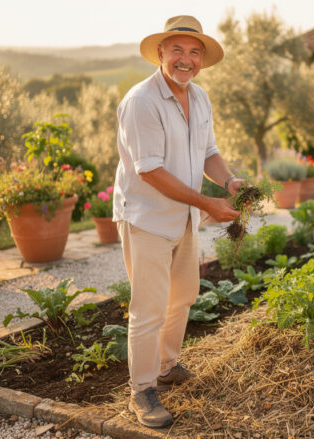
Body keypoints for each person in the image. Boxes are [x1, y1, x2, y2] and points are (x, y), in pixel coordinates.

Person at [112, 15, 244, 428]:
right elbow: (150, 171)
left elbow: (209, 152)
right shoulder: (142, 102)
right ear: (160, 53)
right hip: (146, 218)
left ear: (201, 59)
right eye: (177, 51)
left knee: (183, 295)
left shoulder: (199, 97)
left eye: (193, 52)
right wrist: (209, 203)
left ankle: (166, 367)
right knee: (148, 309)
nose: (185, 60)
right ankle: (142, 390)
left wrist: (229, 181)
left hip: (184, 216)